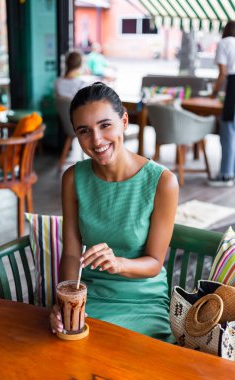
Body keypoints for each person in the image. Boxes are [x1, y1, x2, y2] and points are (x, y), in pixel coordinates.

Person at [50, 82, 179, 342]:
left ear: (124, 121)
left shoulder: (162, 182)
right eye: (84, 131)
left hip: (142, 301)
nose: (96, 140)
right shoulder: (73, 178)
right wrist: (65, 302)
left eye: (105, 125)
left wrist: (118, 263)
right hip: (89, 296)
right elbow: (72, 253)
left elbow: (155, 263)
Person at [209, 21, 235, 187]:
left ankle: (226, 175)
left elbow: (223, 73)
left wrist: (214, 92)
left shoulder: (224, 43)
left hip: (233, 86)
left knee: (228, 132)